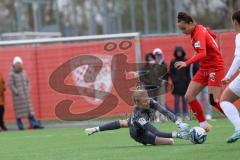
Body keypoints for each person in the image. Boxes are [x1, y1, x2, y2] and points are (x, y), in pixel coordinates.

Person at [85, 84, 191, 145]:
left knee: (125, 122)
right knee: (170, 142)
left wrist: (179, 122)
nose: (147, 100)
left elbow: (165, 111)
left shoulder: (150, 102)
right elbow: (156, 132)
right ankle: (97, 129)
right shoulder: (138, 115)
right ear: (137, 102)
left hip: (136, 122)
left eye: (146, 97)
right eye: (143, 99)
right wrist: (178, 135)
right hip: (139, 134)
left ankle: (96, 129)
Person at [175, 12, 225, 132]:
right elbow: (212, 35)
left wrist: (186, 63)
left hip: (215, 67)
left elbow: (203, 53)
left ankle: (236, 120)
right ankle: (203, 125)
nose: (183, 31)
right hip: (204, 68)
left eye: (184, 28)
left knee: (213, 101)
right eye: (180, 29)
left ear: (191, 23)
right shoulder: (198, 30)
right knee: (189, 96)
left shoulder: (198, 33)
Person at [220, 10, 240, 143]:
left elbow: (239, 58)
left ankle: (239, 128)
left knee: (224, 100)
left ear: (235, 22)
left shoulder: (239, 36)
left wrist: (228, 76)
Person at [8, 56, 43, 130]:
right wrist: (16, 92)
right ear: (14, 64)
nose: (19, 64)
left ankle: (34, 124)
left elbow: (28, 81)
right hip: (17, 98)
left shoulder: (24, 72)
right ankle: (20, 126)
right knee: (18, 114)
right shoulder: (11, 74)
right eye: (17, 63)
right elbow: (10, 84)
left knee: (30, 112)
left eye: (20, 63)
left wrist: (28, 89)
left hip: (26, 96)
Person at [170, 46, 191, 120]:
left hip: (185, 84)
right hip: (176, 85)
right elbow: (171, 72)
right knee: (176, 100)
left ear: (182, 52)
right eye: (178, 52)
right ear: (176, 53)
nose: (179, 53)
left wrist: (187, 80)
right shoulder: (173, 61)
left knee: (185, 100)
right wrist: (174, 80)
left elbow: (189, 72)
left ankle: (185, 115)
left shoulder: (186, 61)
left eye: (180, 52)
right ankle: (177, 115)